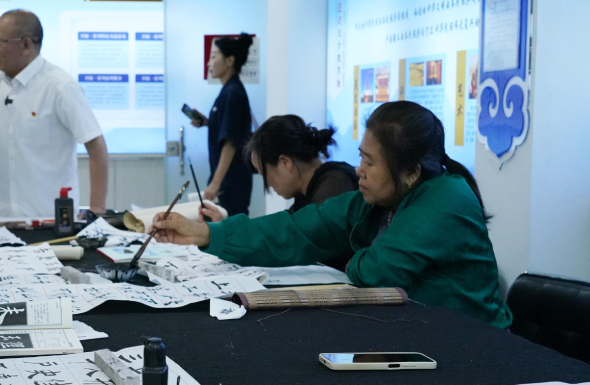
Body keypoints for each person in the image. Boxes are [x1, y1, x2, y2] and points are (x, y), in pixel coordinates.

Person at [153, 101, 513, 329]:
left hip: (473, 348)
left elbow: (375, 271)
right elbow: (296, 230)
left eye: (371, 162)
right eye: (361, 157)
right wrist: (205, 234)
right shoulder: (377, 200)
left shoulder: (446, 199)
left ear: (411, 172)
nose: (359, 171)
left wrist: (354, 259)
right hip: (418, 335)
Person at [0, 9, 109, 217]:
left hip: (51, 217)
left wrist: (97, 210)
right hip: (4, 217)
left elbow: (96, 144)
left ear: (26, 45)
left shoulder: (60, 86)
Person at [200, 115, 358, 271]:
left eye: (264, 173)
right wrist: (224, 228)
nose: (267, 183)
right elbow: (280, 229)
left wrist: (221, 234)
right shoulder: (310, 190)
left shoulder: (335, 184)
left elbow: (291, 238)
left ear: (285, 163)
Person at [188, 33, 254, 216]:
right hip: (227, 181)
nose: (209, 63)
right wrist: (208, 123)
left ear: (230, 60)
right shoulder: (229, 90)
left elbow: (231, 142)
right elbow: (230, 126)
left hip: (231, 183)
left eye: (214, 56)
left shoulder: (233, 93)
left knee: (229, 231)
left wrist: (215, 183)